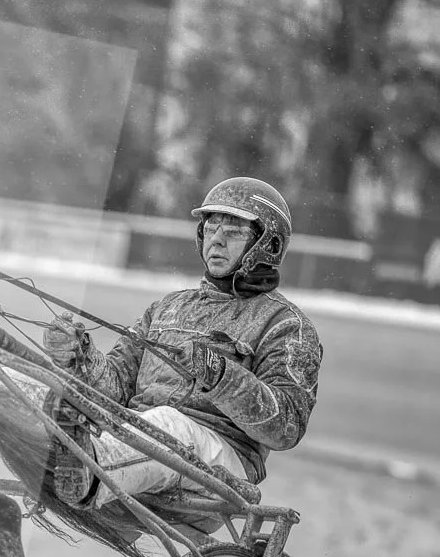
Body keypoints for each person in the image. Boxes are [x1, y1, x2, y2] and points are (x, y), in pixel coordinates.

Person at [39, 177, 323, 507]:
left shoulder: (287, 325)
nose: (216, 240)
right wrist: (78, 358)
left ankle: (88, 472)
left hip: (221, 458)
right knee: (35, 384)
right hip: (138, 432)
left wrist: (220, 375)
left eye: (232, 231)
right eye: (211, 227)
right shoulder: (167, 307)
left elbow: (285, 427)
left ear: (266, 244)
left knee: (171, 425)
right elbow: (116, 386)